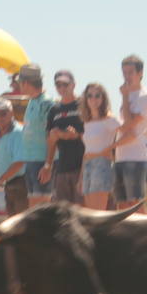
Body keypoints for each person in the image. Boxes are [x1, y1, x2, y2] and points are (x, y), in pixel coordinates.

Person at [113, 55, 147, 211]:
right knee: (122, 205)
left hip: (136, 157)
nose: (127, 76)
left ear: (140, 73)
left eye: (130, 72)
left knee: (135, 205)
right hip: (120, 156)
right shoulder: (128, 94)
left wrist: (124, 96)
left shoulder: (146, 97)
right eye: (124, 72)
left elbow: (128, 124)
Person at [40, 69, 84, 204]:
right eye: (58, 85)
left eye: (65, 84)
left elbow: (92, 134)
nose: (62, 88)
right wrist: (48, 165)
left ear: (74, 85)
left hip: (82, 167)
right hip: (62, 167)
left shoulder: (83, 105)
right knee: (62, 212)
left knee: (83, 210)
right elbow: (50, 141)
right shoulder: (54, 110)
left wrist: (74, 135)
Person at [15, 64, 54, 205]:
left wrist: (48, 165)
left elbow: (52, 136)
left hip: (41, 162)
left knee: (42, 209)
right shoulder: (32, 101)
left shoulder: (47, 103)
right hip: (31, 161)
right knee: (33, 209)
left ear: (25, 83)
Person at [78, 83, 119, 209]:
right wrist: (80, 177)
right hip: (87, 166)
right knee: (90, 213)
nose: (93, 99)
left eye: (97, 95)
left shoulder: (110, 119)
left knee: (98, 213)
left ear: (103, 98)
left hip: (102, 164)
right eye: (89, 96)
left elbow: (129, 136)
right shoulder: (87, 122)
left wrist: (109, 151)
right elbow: (86, 151)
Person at [0, 97, 28, 214]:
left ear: (11, 113)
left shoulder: (18, 132)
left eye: (3, 114)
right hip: (9, 183)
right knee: (12, 221)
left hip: (21, 183)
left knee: (20, 222)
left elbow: (20, 162)